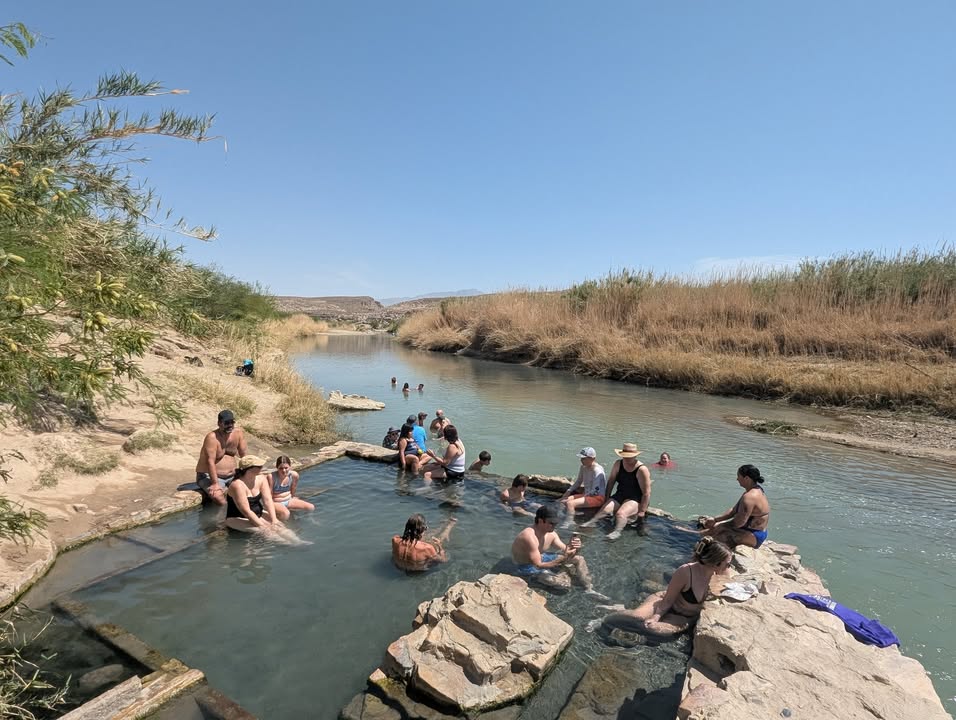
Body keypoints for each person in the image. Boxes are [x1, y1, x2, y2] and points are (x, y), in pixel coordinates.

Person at [600, 537, 732, 637]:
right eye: (728, 564)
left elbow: (727, 593)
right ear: (715, 563)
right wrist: (656, 616)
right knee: (638, 617)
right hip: (664, 601)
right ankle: (605, 620)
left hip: (683, 617)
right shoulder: (686, 571)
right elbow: (668, 600)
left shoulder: (721, 574)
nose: (729, 567)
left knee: (654, 629)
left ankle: (629, 628)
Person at [511, 505, 605, 597]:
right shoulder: (529, 537)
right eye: (551, 523)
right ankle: (562, 575)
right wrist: (563, 560)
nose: (554, 526)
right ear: (540, 521)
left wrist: (576, 547)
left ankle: (589, 589)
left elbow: (567, 551)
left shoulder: (551, 534)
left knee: (579, 559)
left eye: (556, 523)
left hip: (542, 558)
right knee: (564, 584)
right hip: (526, 567)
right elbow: (538, 565)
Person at [224, 456, 305, 544]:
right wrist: (262, 525)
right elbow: (246, 511)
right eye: (259, 466)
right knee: (266, 531)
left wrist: (274, 519)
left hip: (259, 513)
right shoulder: (237, 485)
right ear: (249, 469)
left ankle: (299, 542)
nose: (262, 467)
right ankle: (293, 546)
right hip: (237, 517)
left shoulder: (261, 478)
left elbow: (267, 500)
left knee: (279, 526)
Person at [582, 442, 651, 540]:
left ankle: (617, 531)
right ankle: (592, 522)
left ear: (635, 456)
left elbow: (646, 493)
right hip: (621, 493)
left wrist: (642, 511)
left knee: (620, 514)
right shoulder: (618, 463)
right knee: (605, 509)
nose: (626, 459)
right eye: (624, 456)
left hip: (636, 497)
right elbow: (611, 481)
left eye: (629, 457)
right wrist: (607, 498)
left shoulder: (641, 469)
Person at [698, 464, 771, 548]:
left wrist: (721, 526)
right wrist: (715, 519)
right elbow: (733, 510)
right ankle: (694, 534)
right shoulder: (755, 490)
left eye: (738, 476)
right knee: (714, 528)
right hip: (749, 529)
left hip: (754, 534)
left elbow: (739, 523)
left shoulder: (750, 497)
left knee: (715, 538)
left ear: (746, 478)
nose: (737, 479)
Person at [195, 409, 248, 506]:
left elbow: (244, 455)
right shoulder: (212, 438)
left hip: (232, 475)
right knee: (218, 497)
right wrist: (215, 483)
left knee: (250, 490)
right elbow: (210, 462)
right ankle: (222, 518)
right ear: (219, 423)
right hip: (209, 476)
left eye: (232, 422)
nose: (230, 425)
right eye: (227, 423)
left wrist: (249, 473)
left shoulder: (238, 433)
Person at [391, 514, 457, 572]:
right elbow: (443, 560)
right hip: (418, 571)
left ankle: (444, 524)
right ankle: (449, 526)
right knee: (436, 543)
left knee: (424, 539)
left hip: (400, 568)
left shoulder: (395, 540)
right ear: (422, 530)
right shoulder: (427, 548)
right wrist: (440, 546)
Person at [560, 447, 607, 517]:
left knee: (570, 504)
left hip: (597, 497)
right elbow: (578, 481)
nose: (581, 460)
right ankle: (560, 515)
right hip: (587, 495)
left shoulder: (597, 471)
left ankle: (569, 522)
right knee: (565, 500)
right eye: (581, 458)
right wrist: (569, 491)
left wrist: (583, 497)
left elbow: (595, 491)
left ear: (592, 459)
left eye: (584, 458)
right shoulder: (583, 467)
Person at [268, 455, 314, 520]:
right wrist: (270, 506)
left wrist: (293, 497)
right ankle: (283, 525)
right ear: (277, 467)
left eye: (286, 468)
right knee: (286, 513)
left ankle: (311, 519)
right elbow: (269, 494)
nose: (284, 470)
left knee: (310, 507)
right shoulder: (272, 477)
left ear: (290, 466)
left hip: (288, 500)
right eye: (281, 468)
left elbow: (293, 488)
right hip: (276, 502)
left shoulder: (294, 475)